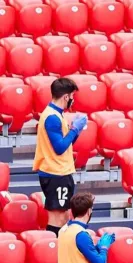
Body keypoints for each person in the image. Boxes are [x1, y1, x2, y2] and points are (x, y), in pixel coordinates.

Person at [33, 78, 87, 237]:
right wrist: (75, 129)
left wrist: (75, 131)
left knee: (63, 216)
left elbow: (66, 144)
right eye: (72, 96)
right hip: (55, 173)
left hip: (60, 171)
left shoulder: (57, 114)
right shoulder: (52, 117)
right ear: (66, 97)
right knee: (58, 219)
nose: (73, 100)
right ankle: (53, 251)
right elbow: (59, 148)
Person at [58, 192, 115, 263]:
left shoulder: (63, 230)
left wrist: (96, 248)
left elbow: (77, 254)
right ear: (89, 211)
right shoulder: (81, 234)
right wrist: (104, 248)